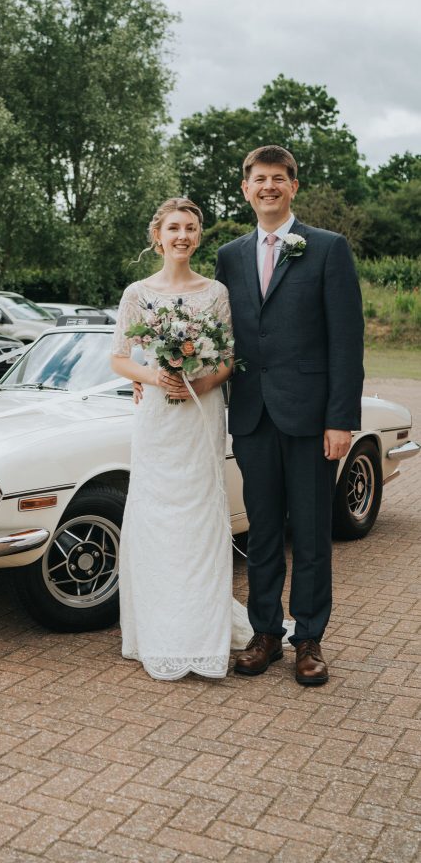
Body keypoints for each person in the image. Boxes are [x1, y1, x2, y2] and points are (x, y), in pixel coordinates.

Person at [215, 145, 364, 685]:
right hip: (253, 416)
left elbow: (346, 342)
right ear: (245, 188)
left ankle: (309, 639)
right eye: (259, 179)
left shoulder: (327, 249)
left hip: (311, 419)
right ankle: (265, 634)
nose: (269, 186)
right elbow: (220, 339)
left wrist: (341, 419)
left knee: (310, 531)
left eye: (279, 178)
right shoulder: (229, 256)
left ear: (293, 187)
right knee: (260, 535)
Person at [110, 197, 253, 681]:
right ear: (158, 236)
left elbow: (229, 356)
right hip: (156, 418)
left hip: (201, 413)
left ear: (198, 236)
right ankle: (156, 629)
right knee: (156, 515)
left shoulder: (215, 292)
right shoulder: (137, 293)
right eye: (174, 228)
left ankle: (200, 631)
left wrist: (204, 380)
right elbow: (120, 358)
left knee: (197, 513)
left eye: (191, 228)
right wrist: (154, 376)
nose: (182, 236)